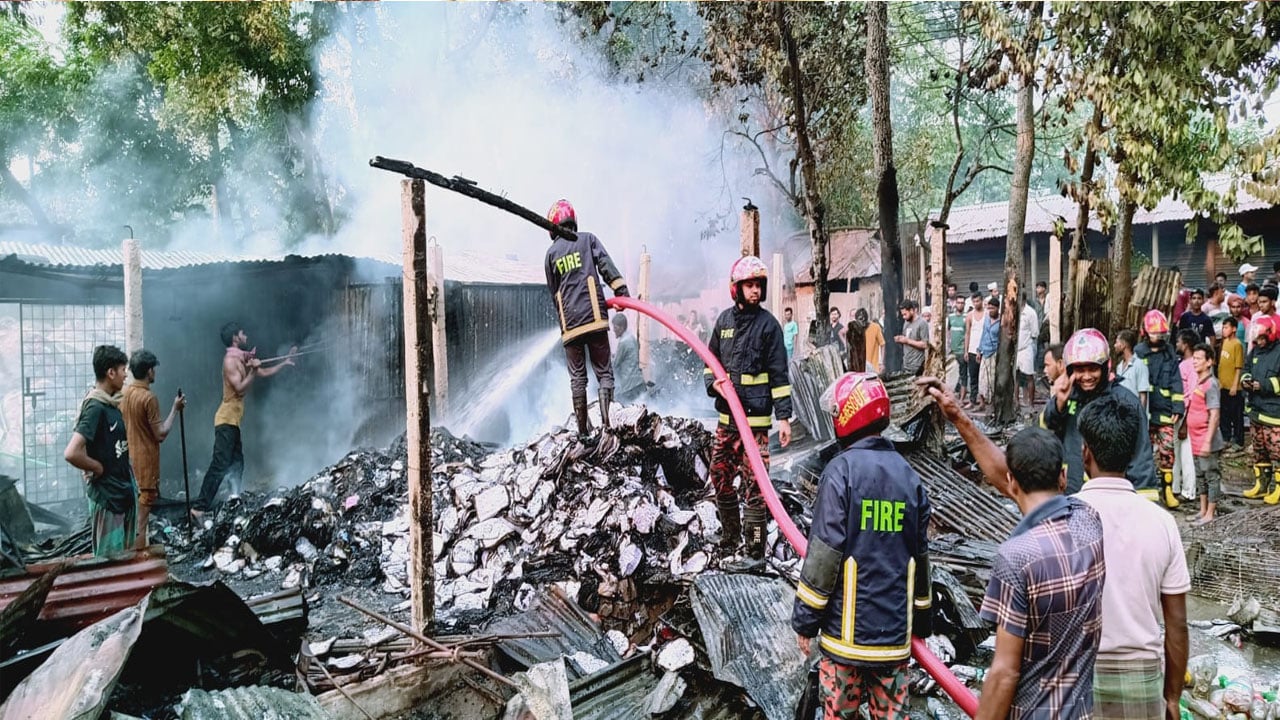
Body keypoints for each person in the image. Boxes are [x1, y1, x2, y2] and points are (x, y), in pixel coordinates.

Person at [917, 382, 1105, 718]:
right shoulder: (1089, 521)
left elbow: (1004, 672)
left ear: (1013, 483)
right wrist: (959, 418)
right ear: (1062, 477)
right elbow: (1008, 477)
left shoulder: (1017, 557)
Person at [792, 372, 931, 719]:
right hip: (894, 645)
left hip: (845, 646)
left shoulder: (840, 472)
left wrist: (805, 621)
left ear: (849, 413)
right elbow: (922, 560)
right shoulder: (909, 477)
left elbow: (824, 556)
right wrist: (922, 627)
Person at [1075, 394, 1189, 720]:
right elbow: (1177, 624)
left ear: (1086, 453)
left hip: (1077, 677)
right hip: (1142, 681)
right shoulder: (1162, 522)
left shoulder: (1064, 519)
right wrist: (1172, 697)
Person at [707, 256, 792, 565]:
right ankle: (730, 537)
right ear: (736, 289)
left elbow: (780, 376)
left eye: (758, 285)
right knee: (720, 478)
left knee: (756, 490)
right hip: (726, 424)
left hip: (755, 428)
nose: (755, 291)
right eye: (749, 285)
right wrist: (713, 384)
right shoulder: (724, 324)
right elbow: (709, 361)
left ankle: (754, 548)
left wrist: (783, 418)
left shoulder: (769, 327)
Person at [542, 199, 630, 454]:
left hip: (570, 327)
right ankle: (608, 427)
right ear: (573, 221)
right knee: (603, 372)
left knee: (577, 378)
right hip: (594, 318)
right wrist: (620, 290)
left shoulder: (550, 255)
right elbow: (605, 264)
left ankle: (583, 433)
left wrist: (564, 323)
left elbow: (553, 291)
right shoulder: (587, 240)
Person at [192, 322, 296, 517]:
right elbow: (240, 388)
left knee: (237, 462)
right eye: (243, 333)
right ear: (235, 338)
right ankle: (199, 508)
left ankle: (234, 498)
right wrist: (253, 370)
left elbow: (262, 372)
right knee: (220, 464)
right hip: (225, 419)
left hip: (233, 421)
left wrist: (284, 362)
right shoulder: (230, 361)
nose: (246, 336)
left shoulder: (240, 358)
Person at [1042, 329, 1157, 495]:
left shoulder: (1124, 401)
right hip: (1071, 496)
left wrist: (1141, 506)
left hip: (1111, 499)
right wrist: (1059, 404)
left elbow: (1141, 458)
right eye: (1080, 370)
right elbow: (1047, 433)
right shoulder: (1067, 397)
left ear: (1105, 367)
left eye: (1093, 369)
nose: (1087, 377)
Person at [63, 345, 136, 557]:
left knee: (124, 560)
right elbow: (72, 452)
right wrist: (97, 467)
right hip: (107, 497)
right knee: (110, 563)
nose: (125, 375)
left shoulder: (111, 404)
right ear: (110, 372)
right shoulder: (95, 407)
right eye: (123, 370)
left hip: (121, 493)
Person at [120, 349, 185, 548]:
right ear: (149, 371)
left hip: (127, 464)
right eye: (153, 369)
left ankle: (129, 558)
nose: (155, 373)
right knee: (141, 522)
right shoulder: (148, 398)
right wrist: (175, 408)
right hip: (145, 466)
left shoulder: (124, 394)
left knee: (129, 521)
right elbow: (160, 434)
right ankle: (137, 563)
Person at [1134, 310, 1185, 508]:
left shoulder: (1169, 353)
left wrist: (1178, 406)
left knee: (1167, 452)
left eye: (1161, 334)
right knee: (1142, 453)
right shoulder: (1138, 352)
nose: (1158, 337)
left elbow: (1176, 381)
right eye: (1154, 333)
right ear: (1146, 332)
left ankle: (1168, 491)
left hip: (1164, 412)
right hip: (1144, 413)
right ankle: (1143, 489)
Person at [1242, 314, 1280, 503]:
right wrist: (1246, 381)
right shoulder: (1255, 351)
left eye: (1262, 338)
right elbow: (1245, 369)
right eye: (1257, 339)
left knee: (1277, 453)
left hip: (1274, 414)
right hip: (1255, 411)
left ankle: (1278, 489)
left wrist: (1263, 385)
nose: (1259, 342)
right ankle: (1261, 486)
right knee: (1260, 451)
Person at [1186, 343, 1224, 525]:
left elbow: (1215, 414)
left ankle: (1210, 513)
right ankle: (1202, 510)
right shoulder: (1199, 382)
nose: (1195, 362)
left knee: (1211, 476)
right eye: (1194, 358)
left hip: (1207, 440)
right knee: (1200, 476)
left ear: (1209, 362)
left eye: (1199, 359)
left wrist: (1208, 442)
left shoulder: (1211, 384)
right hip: (1195, 439)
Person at [1175, 329, 1200, 504]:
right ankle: (1175, 487)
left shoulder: (1192, 365)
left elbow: (1192, 394)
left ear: (1186, 345)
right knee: (1175, 452)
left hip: (1187, 413)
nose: (1176, 344)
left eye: (1178, 342)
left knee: (1186, 453)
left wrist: (1185, 422)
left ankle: (1189, 491)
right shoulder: (1182, 363)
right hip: (1178, 412)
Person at [1218, 317, 1246, 449]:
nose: (1224, 330)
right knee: (1224, 413)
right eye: (1223, 327)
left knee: (1236, 414)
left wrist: (1235, 384)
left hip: (1233, 386)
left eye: (1226, 327)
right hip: (1223, 384)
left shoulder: (1237, 344)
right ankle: (1226, 437)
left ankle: (1239, 440)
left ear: (1234, 329)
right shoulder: (1225, 342)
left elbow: (1238, 367)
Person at [611, 314, 646, 404]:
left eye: (615, 327)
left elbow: (615, 364)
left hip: (629, 387)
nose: (614, 329)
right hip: (639, 382)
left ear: (622, 327)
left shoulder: (623, 342)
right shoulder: (631, 337)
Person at [1113, 329, 1149, 408]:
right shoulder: (1119, 367)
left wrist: (1141, 417)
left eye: (1117, 342)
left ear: (1123, 345)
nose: (1114, 345)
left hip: (1134, 414)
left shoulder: (1140, 365)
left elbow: (1143, 395)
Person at [895, 299, 929, 376]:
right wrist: (900, 339)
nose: (904, 317)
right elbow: (906, 337)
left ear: (911, 310)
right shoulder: (906, 323)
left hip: (917, 365)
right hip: (906, 363)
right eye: (902, 315)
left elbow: (925, 344)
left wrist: (907, 341)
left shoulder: (922, 323)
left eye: (905, 314)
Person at [977, 297, 1000, 410]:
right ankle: (982, 403)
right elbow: (983, 335)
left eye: (993, 308)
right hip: (985, 351)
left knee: (992, 379)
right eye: (989, 308)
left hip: (994, 352)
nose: (990, 310)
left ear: (997, 308)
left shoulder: (1001, 321)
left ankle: (992, 404)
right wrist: (979, 350)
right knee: (982, 378)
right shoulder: (986, 319)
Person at [1017, 296, 1039, 408]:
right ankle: (1015, 402)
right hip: (1015, 350)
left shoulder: (1030, 313)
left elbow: (1035, 333)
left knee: (1029, 376)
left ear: (1024, 300)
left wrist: (1026, 341)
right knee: (1015, 376)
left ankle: (1031, 403)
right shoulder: (1014, 310)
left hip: (1026, 348)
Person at [965, 292, 985, 409]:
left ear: (982, 300)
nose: (976, 303)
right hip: (972, 349)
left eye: (978, 301)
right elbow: (967, 333)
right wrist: (966, 351)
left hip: (984, 350)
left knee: (983, 378)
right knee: (973, 377)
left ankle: (983, 401)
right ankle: (972, 400)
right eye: (974, 301)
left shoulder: (987, 314)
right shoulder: (969, 315)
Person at [948, 296, 968, 400]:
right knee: (951, 374)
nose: (960, 304)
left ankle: (962, 398)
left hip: (962, 350)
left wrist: (966, 351)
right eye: (958, 302)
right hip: (952, 351)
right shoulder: (951, 317)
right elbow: (947, 332)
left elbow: (968, 334)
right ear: (955, 304)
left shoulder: (967, 317)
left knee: (963, 375)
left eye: (962, 303)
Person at [858, 309, 885, 374]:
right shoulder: (856, 328)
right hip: (860, 367)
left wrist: (882, 363)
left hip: (873, 367)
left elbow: (883, 345)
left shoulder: (875, 327)